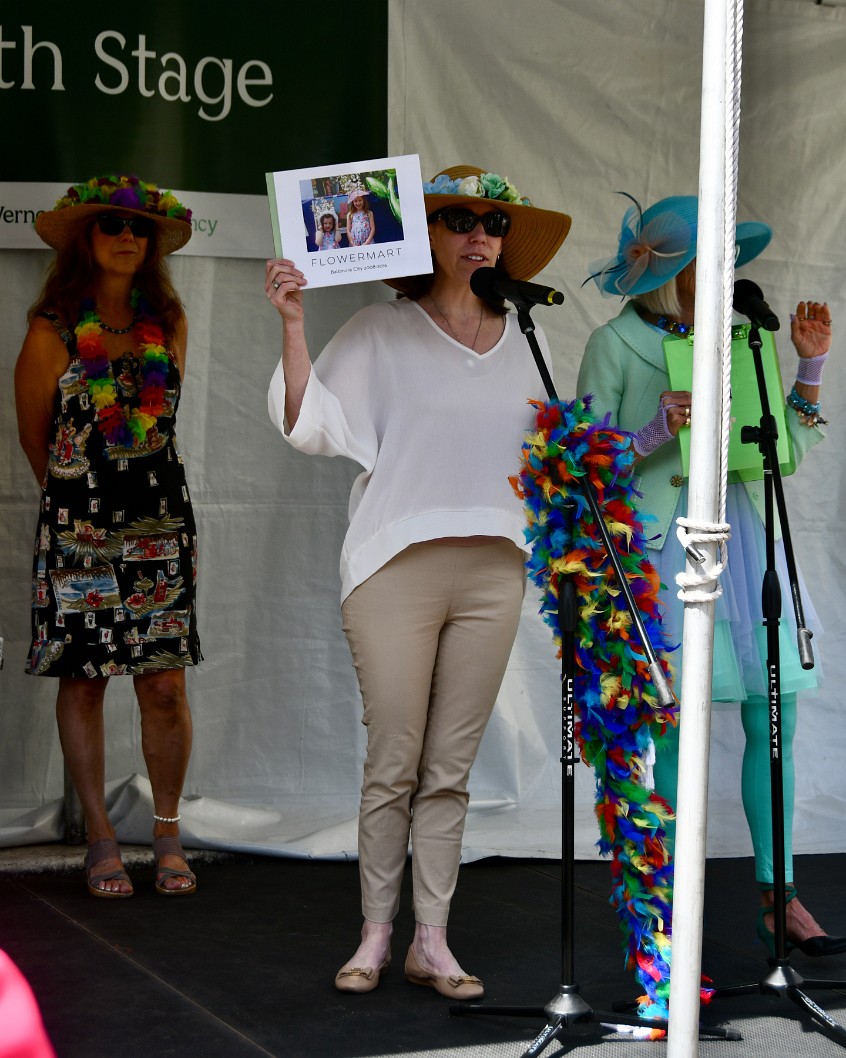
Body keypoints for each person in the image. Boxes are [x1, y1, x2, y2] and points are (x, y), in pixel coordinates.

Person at [266, 165, 571, 996]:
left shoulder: (533, 340)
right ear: (425, 236)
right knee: (395, 756)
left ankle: (430, 939)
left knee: (452, 765)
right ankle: (373, 934)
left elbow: (561, 455)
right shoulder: (377, 329)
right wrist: (293, 324)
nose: (481, 234)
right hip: (395, 566)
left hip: (494, 569)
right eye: (459, 219)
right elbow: (307, 425)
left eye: (495, 224)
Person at [578, 193, 844, 957]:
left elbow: (781, 449)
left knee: (776, 719)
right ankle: (665, 906)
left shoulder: (741, 335)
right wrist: (655, 431)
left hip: (741, 539)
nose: (727, 272)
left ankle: (780, 893)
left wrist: (811, 364)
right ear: (672, 270)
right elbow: (586, 467)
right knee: (671, 728)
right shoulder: (615, 342)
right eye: (712, 259)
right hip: (660, 549)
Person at [14, 174, 201, 899]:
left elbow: (162, 425)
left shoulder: (169, 321)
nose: (127, 237)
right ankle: (98, 834)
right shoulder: (51, 330)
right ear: (87, 241)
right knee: (85, 679)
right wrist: (80, 508)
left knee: (163, 683)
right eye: (112, 226)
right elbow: (36, 443)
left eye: (139, 230)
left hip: (160, 520)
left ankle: (166, 829)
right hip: (80, 528)